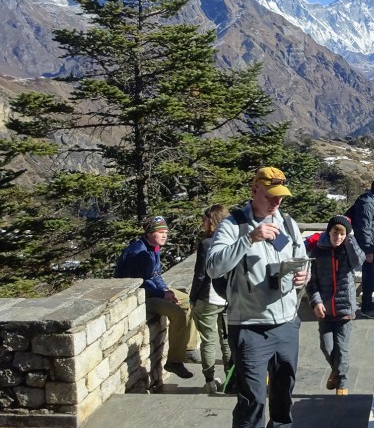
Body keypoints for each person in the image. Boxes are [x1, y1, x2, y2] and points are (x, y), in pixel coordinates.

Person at [205, 167, 308, 428]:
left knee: (284, 396)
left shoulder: (288, 223)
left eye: (281, 196)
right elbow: (214, 266)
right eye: (271, 195)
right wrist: (250, 239)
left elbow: (301, 260)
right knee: (252, 400)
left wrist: (303, 276)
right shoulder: (234, 224)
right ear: (254, 190)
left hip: (286, 325)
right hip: (250, 328)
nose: (277, 201)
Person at [115, 215, 200, 379]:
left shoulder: (153, 248)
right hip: (141, 299)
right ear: (149, 234)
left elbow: (156, 275)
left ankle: (189, 348)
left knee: (188, 301)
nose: (164, 235)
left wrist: (165, 290)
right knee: (178, 313)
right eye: (160, 232)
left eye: (165, 232)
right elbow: (140, 284)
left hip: (153, 292)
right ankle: (174, 361)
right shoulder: (138, 253)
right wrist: (162, 293)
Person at [306, 215, 364, 396]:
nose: (338, 237)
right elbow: (311, 281)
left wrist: (351, 240)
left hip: (345, 306)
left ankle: (342, 382)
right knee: (326, 346)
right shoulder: (318, 251)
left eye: (342, 234)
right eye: (334, 233)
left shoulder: (348, 249)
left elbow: (358, 263)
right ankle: (337, 371)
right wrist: (315, 301)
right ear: (328, 232)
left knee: (342, 346)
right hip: (324, 308)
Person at [189, 204, 233, 393]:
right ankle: (231, 379)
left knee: (208, 340)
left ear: (212, 220)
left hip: (208, 296)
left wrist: (193, 298)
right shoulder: (232, 240)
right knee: (226, 340)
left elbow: (201, 275)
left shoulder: (207, 244)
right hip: (227, 297)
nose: (203, 222)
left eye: (205, 218)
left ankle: (209, 381)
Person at [352, 179, 374, 319]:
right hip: (370, 248)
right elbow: (364, 228)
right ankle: (367, 307)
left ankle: (371, 303)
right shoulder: (367, 204)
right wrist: (368, 250)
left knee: (373, 276)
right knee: (369, 277)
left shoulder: (370, 201)